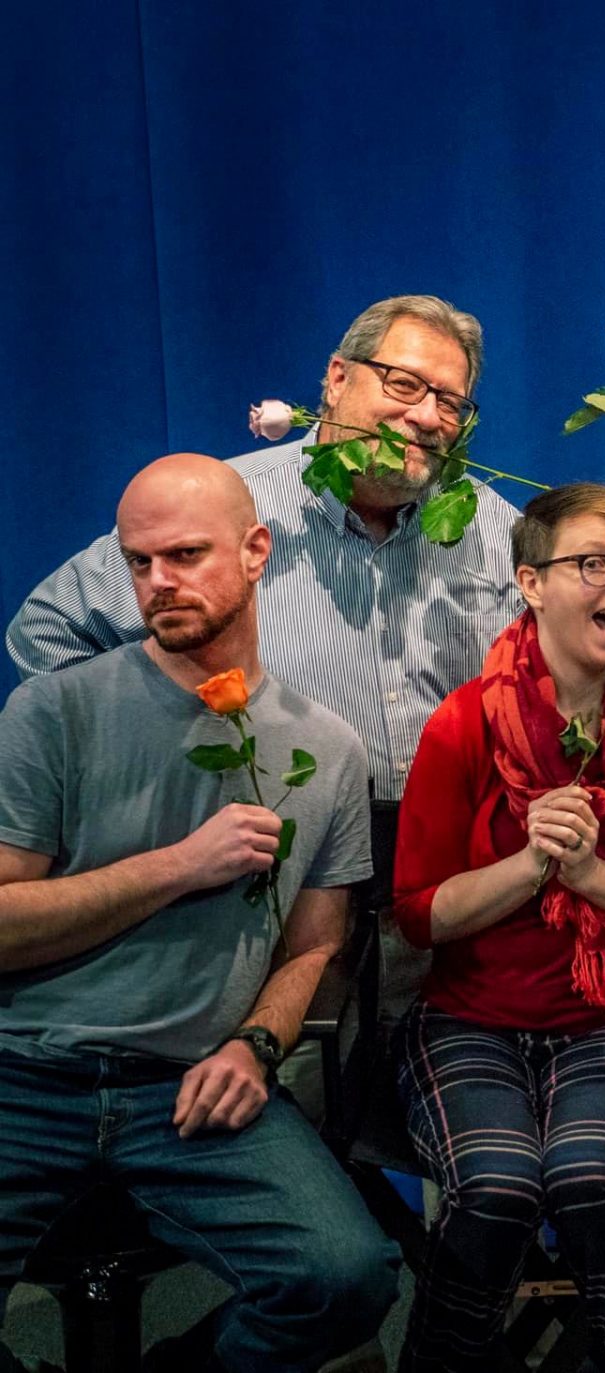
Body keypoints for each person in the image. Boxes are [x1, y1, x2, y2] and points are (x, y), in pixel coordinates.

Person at [6, 293, 523, 1019]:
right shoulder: (234, 505)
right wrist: (157, 753)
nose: (428, 415)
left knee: (399, 1111)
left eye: (451, 402)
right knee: (276, 1084)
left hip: (436, 878)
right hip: (265, 862)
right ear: (337, 378)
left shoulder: (492, 529)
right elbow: (49, 628)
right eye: (404, 384)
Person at [0, 454, 397, 1370]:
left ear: (256, 551)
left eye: (183, 555)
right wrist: (177, 866)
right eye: (139, 563)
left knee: (347, 1277)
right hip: (27, 1070)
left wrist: (254, 1045)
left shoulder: (326, 751)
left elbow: (316, 947)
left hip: (181, 1090)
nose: (158, 583)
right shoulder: (54, 710)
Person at [389, 484, 605, 1371]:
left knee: (590, 1178)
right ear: (531, 583)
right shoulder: (462, 722)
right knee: (496, 1186)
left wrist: (590, 874)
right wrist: (532, 862)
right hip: (471, 1022)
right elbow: (420, 916)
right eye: (592, 564)